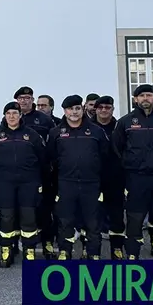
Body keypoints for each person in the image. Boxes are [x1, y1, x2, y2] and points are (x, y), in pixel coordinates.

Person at [111, 84, 153, 260]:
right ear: (135, 99)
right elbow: (117, 148)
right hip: (136, 178)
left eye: (149, 95)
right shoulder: (125, 122)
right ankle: (133, 255)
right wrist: (129, 164)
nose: (146, 98)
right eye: (142, 96)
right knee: (135, 218)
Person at [47, 95, 109, 260]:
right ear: (65, 111)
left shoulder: (96, 131)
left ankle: (93, 253)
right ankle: (64, 251)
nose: (74, 112)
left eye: (77, 108)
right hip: (67, 183)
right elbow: (51, 158)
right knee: (65, 220)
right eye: (70, 109)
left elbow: (105, 157)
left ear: (82, 109)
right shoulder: (56, 133)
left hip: (91, 184)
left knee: (93, 222)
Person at [0, 102, 46, 267]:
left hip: (28, 182)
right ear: (4, 116)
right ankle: (6, 250)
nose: (12, 116)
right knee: (6, 217)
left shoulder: (32, 135)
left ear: (20, 115)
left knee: (28, 217)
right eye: (8, 113)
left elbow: (42, 157)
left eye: (15, 113)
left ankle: (29, 251)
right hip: (5, 182)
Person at [13, 86, 57, 259]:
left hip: (41, 173)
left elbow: (53, 145)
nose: (24, 100)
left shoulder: (44, 120)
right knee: (17, 210)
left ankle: (47, 243)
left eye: (28, 97)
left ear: (32, 100)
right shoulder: (11, 116)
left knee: (44, 210)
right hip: (19, 175)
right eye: (21, 98)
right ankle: (16, 243)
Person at [92, 95, 126, 259]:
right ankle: (91, 251)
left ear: (113, 109)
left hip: (115, 178)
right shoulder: (88, 127)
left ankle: (117, 248)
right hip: (93, 179)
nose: (104, 110)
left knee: (117, 216)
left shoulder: (120, 127)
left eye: (108, 107)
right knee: (92, 216)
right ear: (95, 109)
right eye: (101, 108)